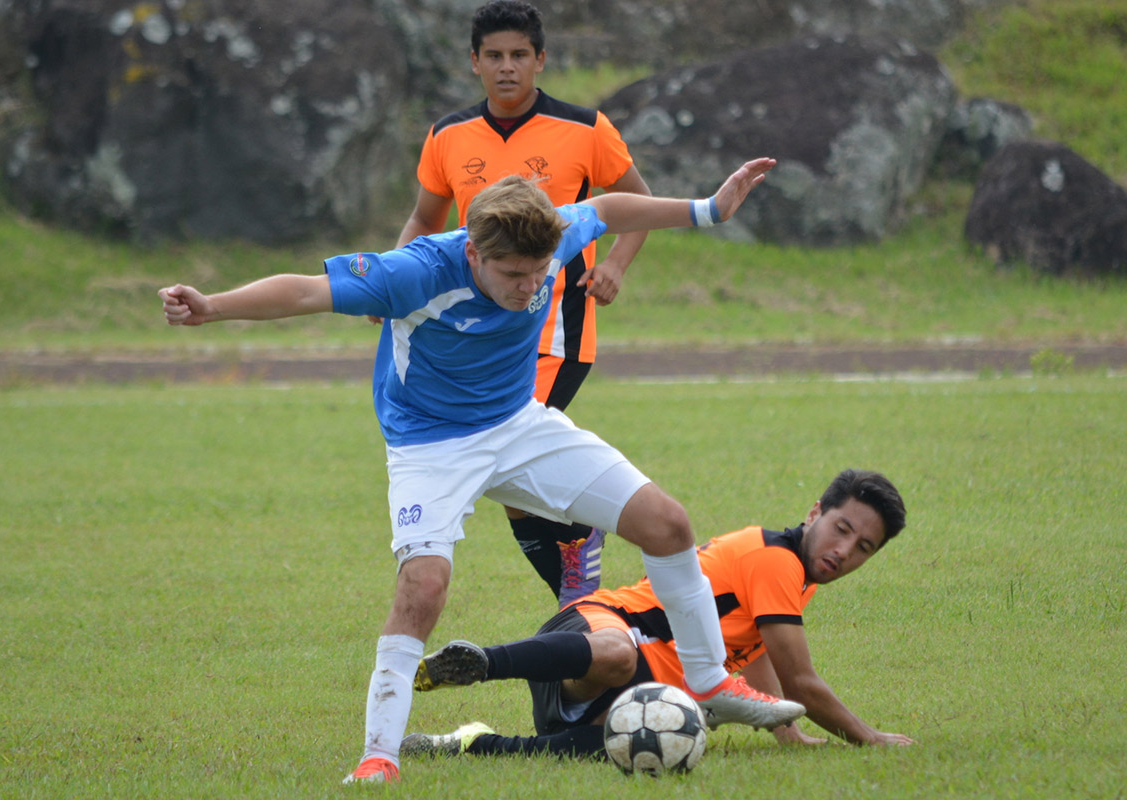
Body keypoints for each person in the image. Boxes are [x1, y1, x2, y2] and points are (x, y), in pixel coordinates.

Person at [158, 157, 801, 786]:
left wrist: (708, 210)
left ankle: (711, 681)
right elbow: (305, 290)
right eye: (512, 273)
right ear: (473, 253)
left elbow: (605, 209)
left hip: (519, 426)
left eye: (538, 272)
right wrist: (211, 306)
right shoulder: (413, 272)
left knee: (666, 524)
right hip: (429, 445)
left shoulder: (549, 231)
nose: (528, 287)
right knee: (424, 588)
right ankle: (379, 756)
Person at [396, 0, 654, 607]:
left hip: (555, 335)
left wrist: (614, 264)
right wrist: (397, 284)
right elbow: (424, 219)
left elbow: (637, 202)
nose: (506, 67)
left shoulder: (585, 129)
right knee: (508, 470)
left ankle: (583, 595)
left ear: (540, 60)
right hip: (476, 339)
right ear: (475, 63)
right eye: (494, 56)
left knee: (502, 456)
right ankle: (585, 594)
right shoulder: (447, 136)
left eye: (519, 55)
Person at [401, 469, 916, 760]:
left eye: (864, 547)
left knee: (632, 748)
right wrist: (867, 738)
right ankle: (480, 663)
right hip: (595, 629)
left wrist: (787, 732)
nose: (845, 551)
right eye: (842, 529)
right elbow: (800, 681)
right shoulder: (776, 560)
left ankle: (470, 744)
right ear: (813, 514)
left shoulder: (794, 577)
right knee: (618, 654)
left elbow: (755, 656)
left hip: (610, 692)